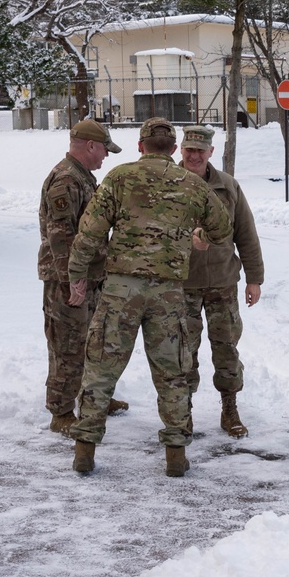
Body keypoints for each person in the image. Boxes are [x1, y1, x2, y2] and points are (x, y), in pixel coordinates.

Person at [66, 118, 233, 477]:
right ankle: (175, 454)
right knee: (172, 371)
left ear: (141, 146)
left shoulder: (119, 178)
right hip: (169, 292)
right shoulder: (192, 184)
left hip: (120, 290)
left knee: (100, 368)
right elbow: (222, 230)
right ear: (174, 149)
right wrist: (197, 231)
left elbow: (89, 232)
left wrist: (77, 277)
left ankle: (85, 450)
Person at [38, 119, 128, 435]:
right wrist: (72, 280)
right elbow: (60, 237)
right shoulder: (66, 181)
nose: (106, 156)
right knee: (68, 346)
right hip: (69, 284)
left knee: (91, 342)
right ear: (90, 145)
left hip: (88, 279)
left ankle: (90, 397)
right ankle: (61, 412)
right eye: (105, 149)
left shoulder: (83, 177)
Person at [178, 125, 264, 438]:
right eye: (189, 149)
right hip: (181, 285)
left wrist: (254, 278)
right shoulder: (168, 184)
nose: (194, 155)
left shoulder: (228, 187)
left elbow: (246, 234)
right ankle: (181, 411)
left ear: (211, 152)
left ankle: (230, 407)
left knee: (226, 349)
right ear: (180, 149)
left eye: (200, 150)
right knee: (182, 351)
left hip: (222, 282)